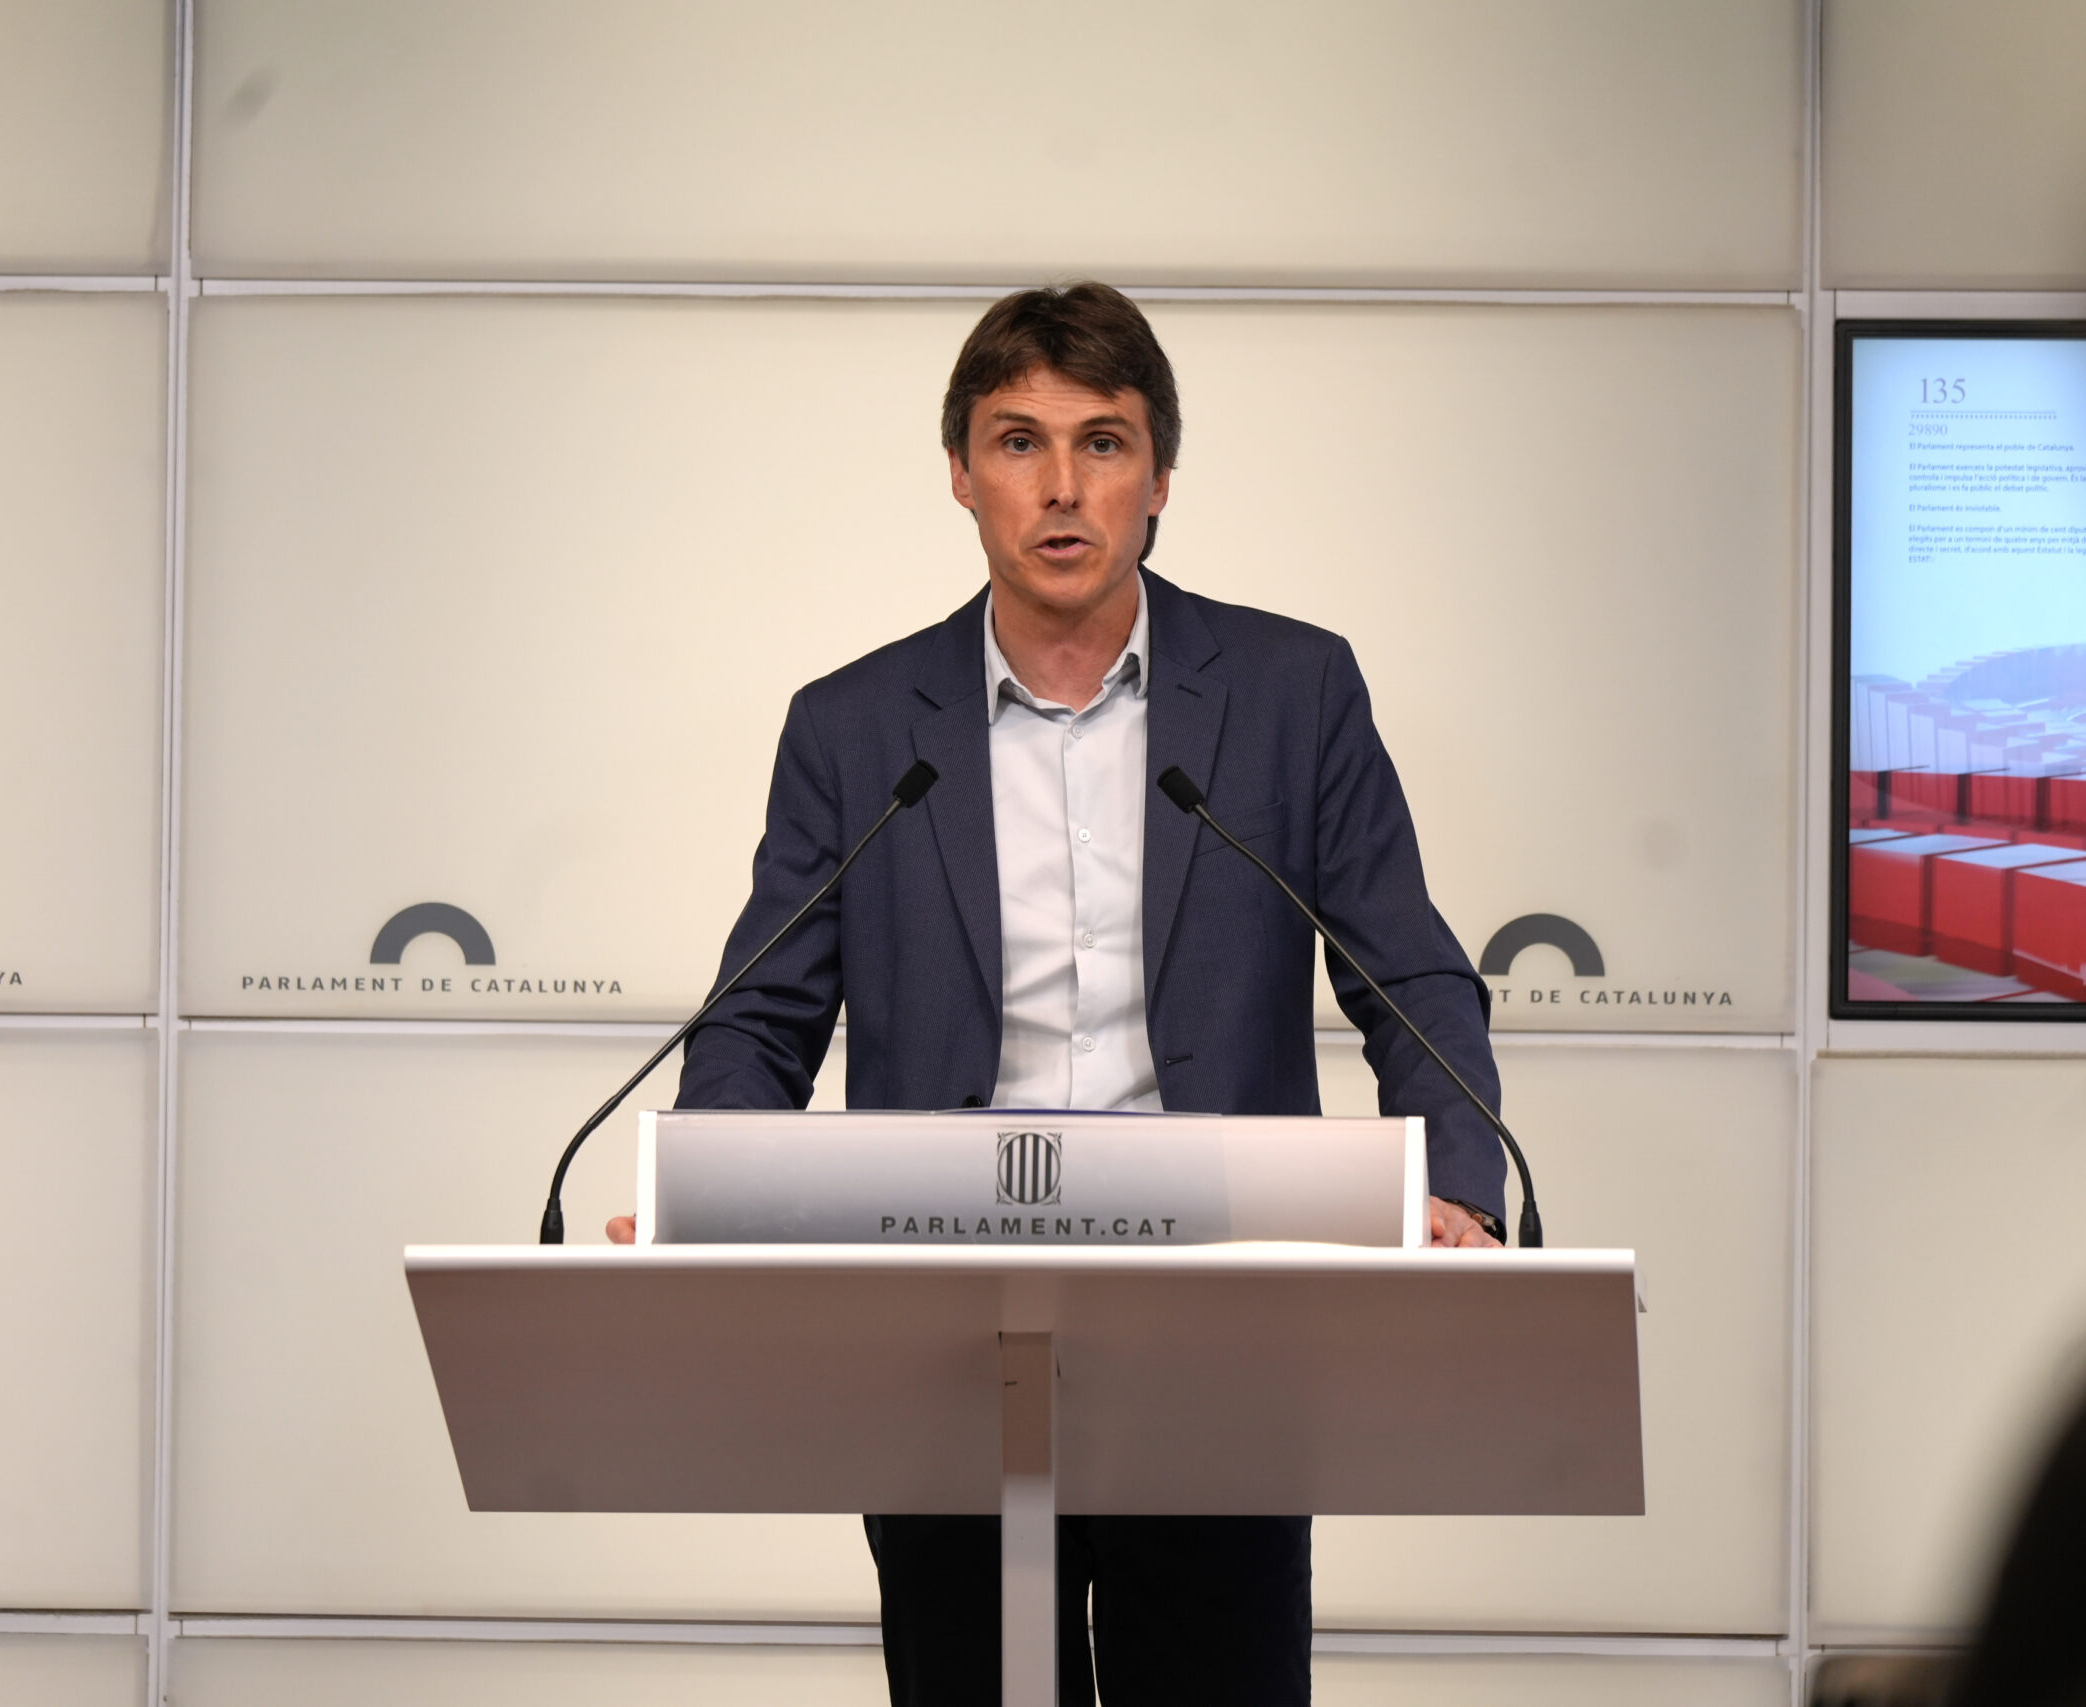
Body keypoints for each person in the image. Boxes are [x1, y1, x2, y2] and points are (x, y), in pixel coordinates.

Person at [609, 282, 1507, 1705]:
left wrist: (1457, 1180)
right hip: (942, 1331)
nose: (1063, 487)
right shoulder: (855, 728)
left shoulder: (1293, 692)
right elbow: (761, 1017)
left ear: (1161, 477)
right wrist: (703, 1195)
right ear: (961, 473)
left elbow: (1405, 969)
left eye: (1104, 442)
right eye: (1019, 442)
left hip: (1220, 1320)